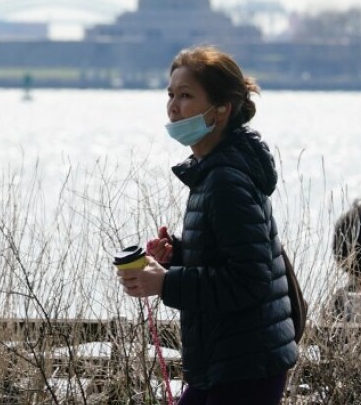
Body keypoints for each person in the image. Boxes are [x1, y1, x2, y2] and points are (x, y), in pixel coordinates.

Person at [118, 45, 298, 405]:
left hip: (245, 367)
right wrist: (179, 255)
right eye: (170, 94)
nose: (173, 106)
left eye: (186, 96)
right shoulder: (215, 171)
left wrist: (166, 282)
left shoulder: (225, 180)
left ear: (221, 110)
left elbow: (249, 281)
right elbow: (232, 258)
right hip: (226, 361)